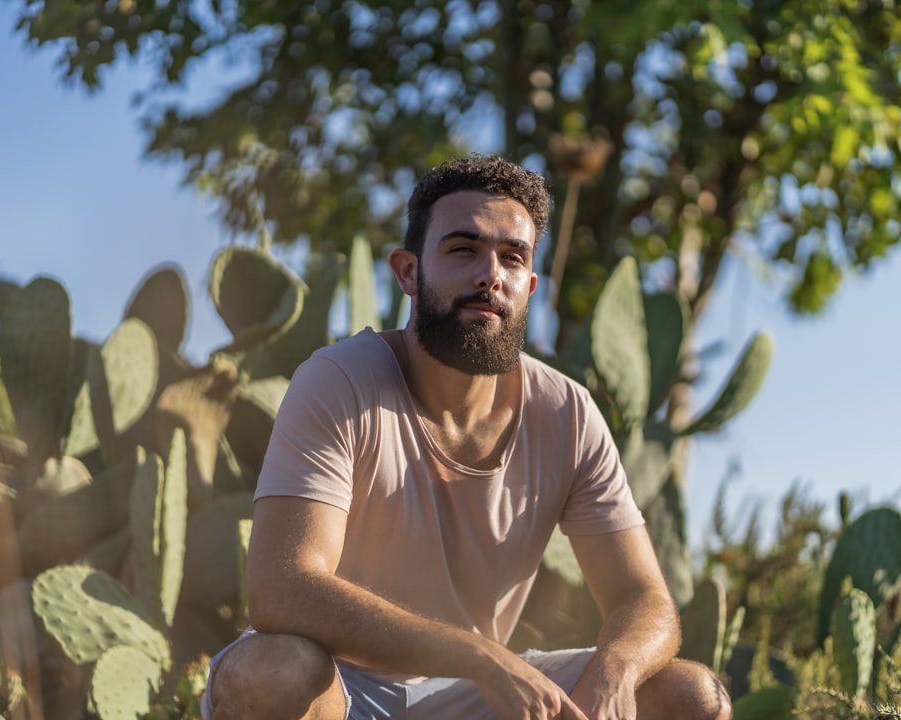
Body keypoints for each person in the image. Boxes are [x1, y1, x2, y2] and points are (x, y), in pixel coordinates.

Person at [202, 154, 732, 720]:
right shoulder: (339, 381)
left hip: (469, 697)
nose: (490, 275)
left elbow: (644, 599)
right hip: (340, 687)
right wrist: (479, 655)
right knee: (271, 674)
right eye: (463, 250)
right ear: (408, 272)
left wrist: (615, 670)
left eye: (512, 258)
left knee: (689, 696)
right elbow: (282, 587)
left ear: (529, 286)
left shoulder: (568, 414)